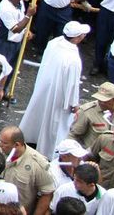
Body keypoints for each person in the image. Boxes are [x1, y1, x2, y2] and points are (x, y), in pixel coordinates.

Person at [20, 21, 92, 156]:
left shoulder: (54, 42)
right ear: (77, 38)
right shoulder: (73, 59)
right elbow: (72, 84)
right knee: (55, 123)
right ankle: (50, 150)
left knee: (39, 113)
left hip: (44, 86)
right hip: (59, 95)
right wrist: (73, 103)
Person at [70, 83, 114, 153]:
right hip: (92, 154)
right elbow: (73, 135)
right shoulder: (86, 111)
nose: (101, 103)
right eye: (99, 99)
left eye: (105, 101)